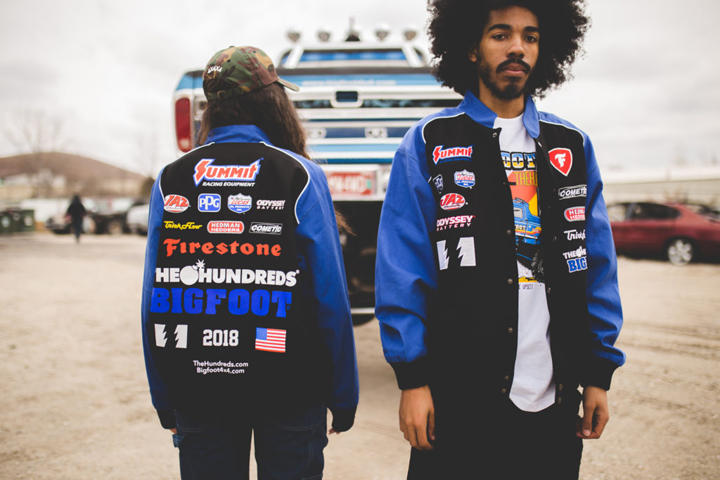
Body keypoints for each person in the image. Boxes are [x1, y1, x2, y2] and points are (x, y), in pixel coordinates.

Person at [375, 1, 625, 478]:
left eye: (531, 36)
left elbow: (597, 267)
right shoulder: (428, 141)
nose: (518, 48)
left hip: (553, 406)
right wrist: (413, 380)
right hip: (458, 402)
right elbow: (402, 271)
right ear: (471, 47)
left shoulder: (571, 145)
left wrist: (598, 375)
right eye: (501, 34)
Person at [141, 46, 359, 480]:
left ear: (212, 107)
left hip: (198, 387)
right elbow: (330, 298)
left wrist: (164, 397)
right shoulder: (299, 174)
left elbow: (154, 298)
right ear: (273, 101)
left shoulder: (172, 178)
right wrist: (343, 394)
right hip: (292, 388)